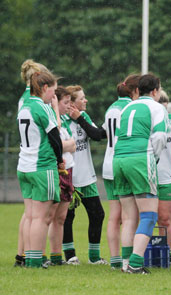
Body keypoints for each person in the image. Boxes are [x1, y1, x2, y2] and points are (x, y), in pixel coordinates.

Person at [114, 73, 168, 274]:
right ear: (155, 91)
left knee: (128, 216)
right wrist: (152, 160)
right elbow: (160, 137)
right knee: (149, 215)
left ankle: (125, 263)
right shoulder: (157, 107)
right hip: (139, 158)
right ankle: (136, 264)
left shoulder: (127, 107)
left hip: (119, 159)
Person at [17, 71, 64, 268]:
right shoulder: (41, 107)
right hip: (42, 166)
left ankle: (28, 257)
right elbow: (55, 136)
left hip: (24, 166)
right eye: (52, 91)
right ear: (45, 88)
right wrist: (60, 159)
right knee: (42, 217)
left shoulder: (24, 106)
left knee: (30, 214)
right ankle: (36, 259)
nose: (52, 96)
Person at [63, 85, 107, 265]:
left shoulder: (84, 117)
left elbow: (97, 135)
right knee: (67, 216)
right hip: (69, 176)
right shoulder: (61, 120)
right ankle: (70, 256)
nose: (86, 100)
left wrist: (80, 119)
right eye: (82, 98)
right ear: (71, 103)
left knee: (98, 214)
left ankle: (94, 257)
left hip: (86, 177)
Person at [14, 59, 51, 267]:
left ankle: (24, 254)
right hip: (37, 158)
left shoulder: (23, 98)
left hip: (26, 157)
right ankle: (29, 254)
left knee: (29, 214)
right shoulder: (34, 99)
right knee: (35, 216)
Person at [103, 74, 140, 269]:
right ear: (135, 91)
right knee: (128, 215)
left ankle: (115, 259)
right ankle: (129, 258)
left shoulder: (111, 108)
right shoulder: (130, 108)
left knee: (114, 215)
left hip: (108, 164)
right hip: (124, 162)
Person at [46, 86, 76, 266]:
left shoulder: (64, 122)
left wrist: (65, 144)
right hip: (56, 170)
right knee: (48, 216)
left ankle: (57, 258)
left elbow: (71, 145)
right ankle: (38, 256)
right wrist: (65, 145)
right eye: (65, 102)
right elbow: (56, 144)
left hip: (68, 170)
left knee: (61, 217)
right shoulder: (50, 117)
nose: (68, 106)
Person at [156, 89, 171, 262]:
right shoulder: (147, 119)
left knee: (165, 219)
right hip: (145, 175)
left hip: (166, 177)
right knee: (146, 219)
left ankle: (166, 253)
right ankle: (144, 253)